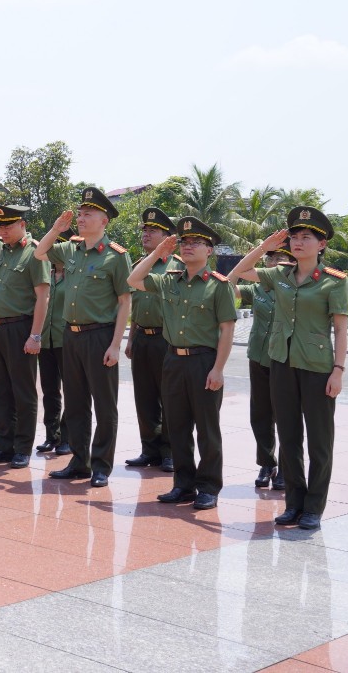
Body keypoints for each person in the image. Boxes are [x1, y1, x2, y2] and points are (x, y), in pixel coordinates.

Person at [230, 207, 348, 531]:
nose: (298, 242)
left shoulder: (333, 282)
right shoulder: (278, 275)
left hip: (317, 369)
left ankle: (313, 508)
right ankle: (293, 504)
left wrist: (338, 370)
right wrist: (265, 247)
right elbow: (239, 272)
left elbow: (340, 329)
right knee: (290, 437)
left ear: (321, 244)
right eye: (294, 237)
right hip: (281, 364)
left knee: (320, 442)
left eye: (306, 237)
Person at [129, 217, 237, 510]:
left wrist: (218, 369)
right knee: (177, 427)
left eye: (196, 243)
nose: (189, 247)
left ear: (210, 250)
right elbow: (134, 280)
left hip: (204, 362)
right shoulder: (169, 280)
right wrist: (156, 253)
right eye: (184, 242)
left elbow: (227, 329)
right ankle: (183, 484)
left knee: (206, 428)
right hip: (173, 359)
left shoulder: (219, 286)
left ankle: (208, 487)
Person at [34, 187, 132, 488]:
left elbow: (124, 302)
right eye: (80, 213)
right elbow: (40, 252)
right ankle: (80, 461)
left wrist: (116, 345)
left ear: (105, 220)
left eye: (88, 213)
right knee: (75, 404)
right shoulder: (70, 249)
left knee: (104, 404)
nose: (81, 217)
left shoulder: (116, 257)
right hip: (71, 336)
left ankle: (101, 465)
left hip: (99, 335)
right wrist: (56, 229)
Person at [0, 204, 50, 469]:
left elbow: (42, 297)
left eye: (8, 226)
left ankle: (22, 448)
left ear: (23, 225)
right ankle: (4, 445)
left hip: (20, 328)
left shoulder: (35, 253)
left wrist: (35, 335)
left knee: (23, 391)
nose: (2, 231)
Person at [125, 207, 179, 472]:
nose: (146, 234)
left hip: (166, 339)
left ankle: (169, 451)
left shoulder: (177, 267)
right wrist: (131, 338)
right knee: (144, 397)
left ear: (167, 237)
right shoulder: (139, 266)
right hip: (142, 338)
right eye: (144, 230)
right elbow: (137, 305)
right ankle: (150, 449)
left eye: (153, 230)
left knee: (168, 397)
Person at [236, 241, 291, 489]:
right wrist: (259, 249)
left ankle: (287, 469)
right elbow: (229, 283)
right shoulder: (257, 288)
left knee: (285, 415)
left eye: (281, 258)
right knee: (260, 414)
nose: (274, 262)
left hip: (285, 359)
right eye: (270, 258)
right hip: (258, 356)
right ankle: (267, 463)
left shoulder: (293, 288)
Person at [37, 254, 71, 455]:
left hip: (66, 340)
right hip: (45, 339)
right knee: (49, 391)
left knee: (72, 391)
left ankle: (68, 437)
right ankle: (52, 435)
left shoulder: (75, 276)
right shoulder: (46, 276)